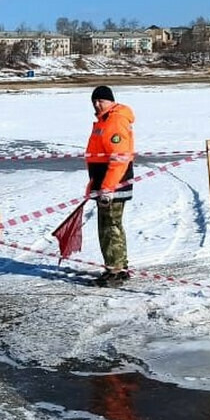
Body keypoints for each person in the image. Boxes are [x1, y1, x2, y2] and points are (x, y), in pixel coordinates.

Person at [85, 85, 135, 286]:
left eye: (101, 101)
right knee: (109, 226)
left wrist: (107, 187)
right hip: (104, 183)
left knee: (110, 227)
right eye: (95, 101)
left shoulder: (115, 121)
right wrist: (94, 186)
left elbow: (119, 158)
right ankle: (117, 266)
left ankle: (115, 270)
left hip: (114, 185)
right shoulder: (103, 121)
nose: (97, 104)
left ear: (111, 101)